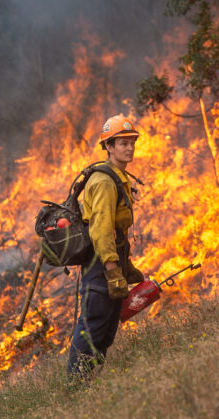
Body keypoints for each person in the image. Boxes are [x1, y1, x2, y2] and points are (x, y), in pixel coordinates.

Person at [67, 114, 145, 379]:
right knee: (93, 325)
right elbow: (101, 229)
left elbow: (116, 230)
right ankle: (75, 386)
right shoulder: (103, 181)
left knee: (108, 327)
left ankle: (88, 382)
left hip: (112, 259)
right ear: (108, 147)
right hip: (100, 264)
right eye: (122, 143)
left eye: (131, 142)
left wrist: (126, 266)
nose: (129, 148)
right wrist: (112, 271)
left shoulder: (118, 177)